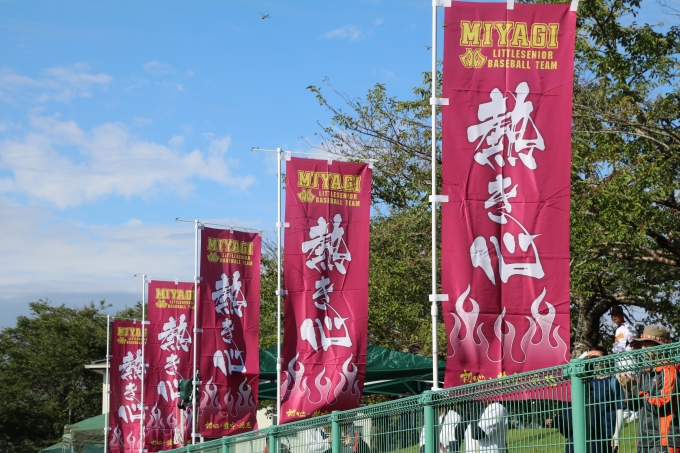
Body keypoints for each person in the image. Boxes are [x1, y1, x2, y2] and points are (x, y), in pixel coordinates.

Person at [546, 347, 626, 453]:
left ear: (606, 359)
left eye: (597, 358)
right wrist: (584, 355)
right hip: (584, 432)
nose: (595, 361)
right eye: (591, 358)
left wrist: (616, 435)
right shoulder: (585, 381)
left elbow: (619, 408)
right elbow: (571, 371)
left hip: (605, 434)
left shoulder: (612, 382)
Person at [625, 326, 680, 453]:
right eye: (642, 343)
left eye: (648, 343)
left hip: (664, 440)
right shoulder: (643, 372)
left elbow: (663, 405)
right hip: (643, 441)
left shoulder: (669, 370)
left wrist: (639, 393)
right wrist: (629, 389)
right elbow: (634, 406)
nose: (643, 347)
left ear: (661, 346)